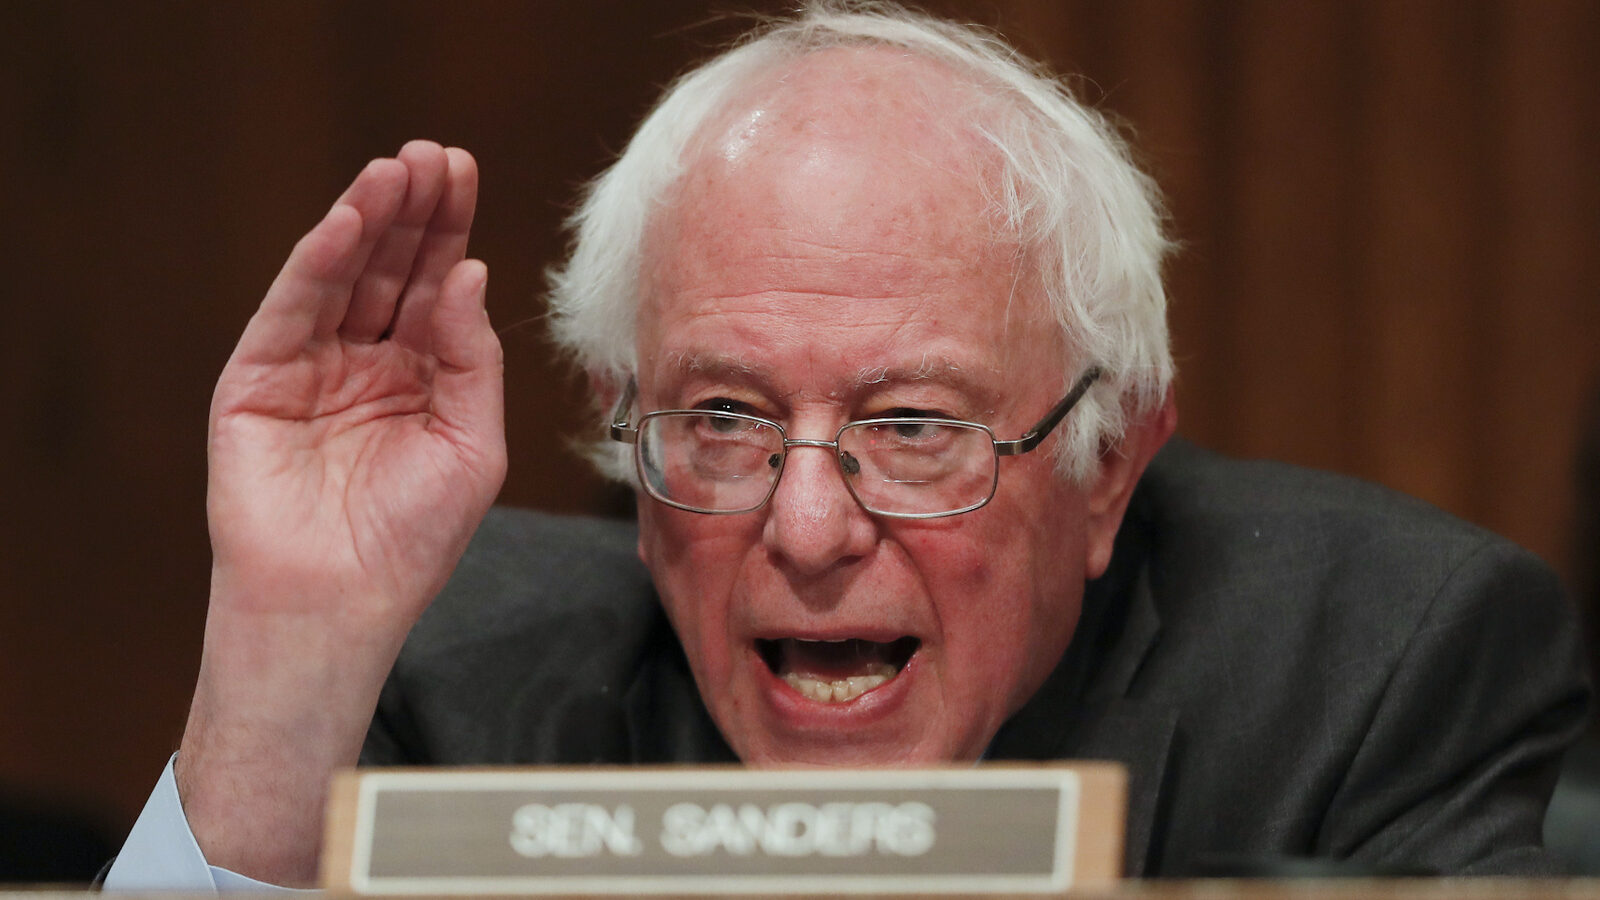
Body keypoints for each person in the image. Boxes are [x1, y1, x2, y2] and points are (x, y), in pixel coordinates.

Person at [105, 3, 1589, 889]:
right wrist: (285, 667)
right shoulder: (445, 666)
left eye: (913, 428)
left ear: (1113, 459)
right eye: (729, 420)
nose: (808, 529)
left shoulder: (1378, 672)